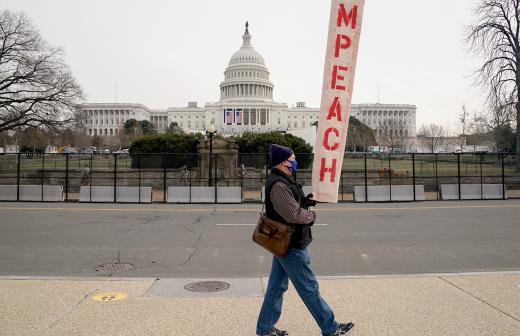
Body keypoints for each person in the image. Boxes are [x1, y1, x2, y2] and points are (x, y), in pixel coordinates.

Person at [256, 144, 355, 336]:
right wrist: (312, 215)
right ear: (284, 161)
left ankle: (265, 329)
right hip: (291, 244)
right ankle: (331, 328)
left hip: (284, 243)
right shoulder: (278, 184)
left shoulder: (283, 180)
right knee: (309, 288)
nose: (294, 160)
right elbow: (293, 215)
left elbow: (291, 205)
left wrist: (306, 202)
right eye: (292, 157)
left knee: (277, 287)